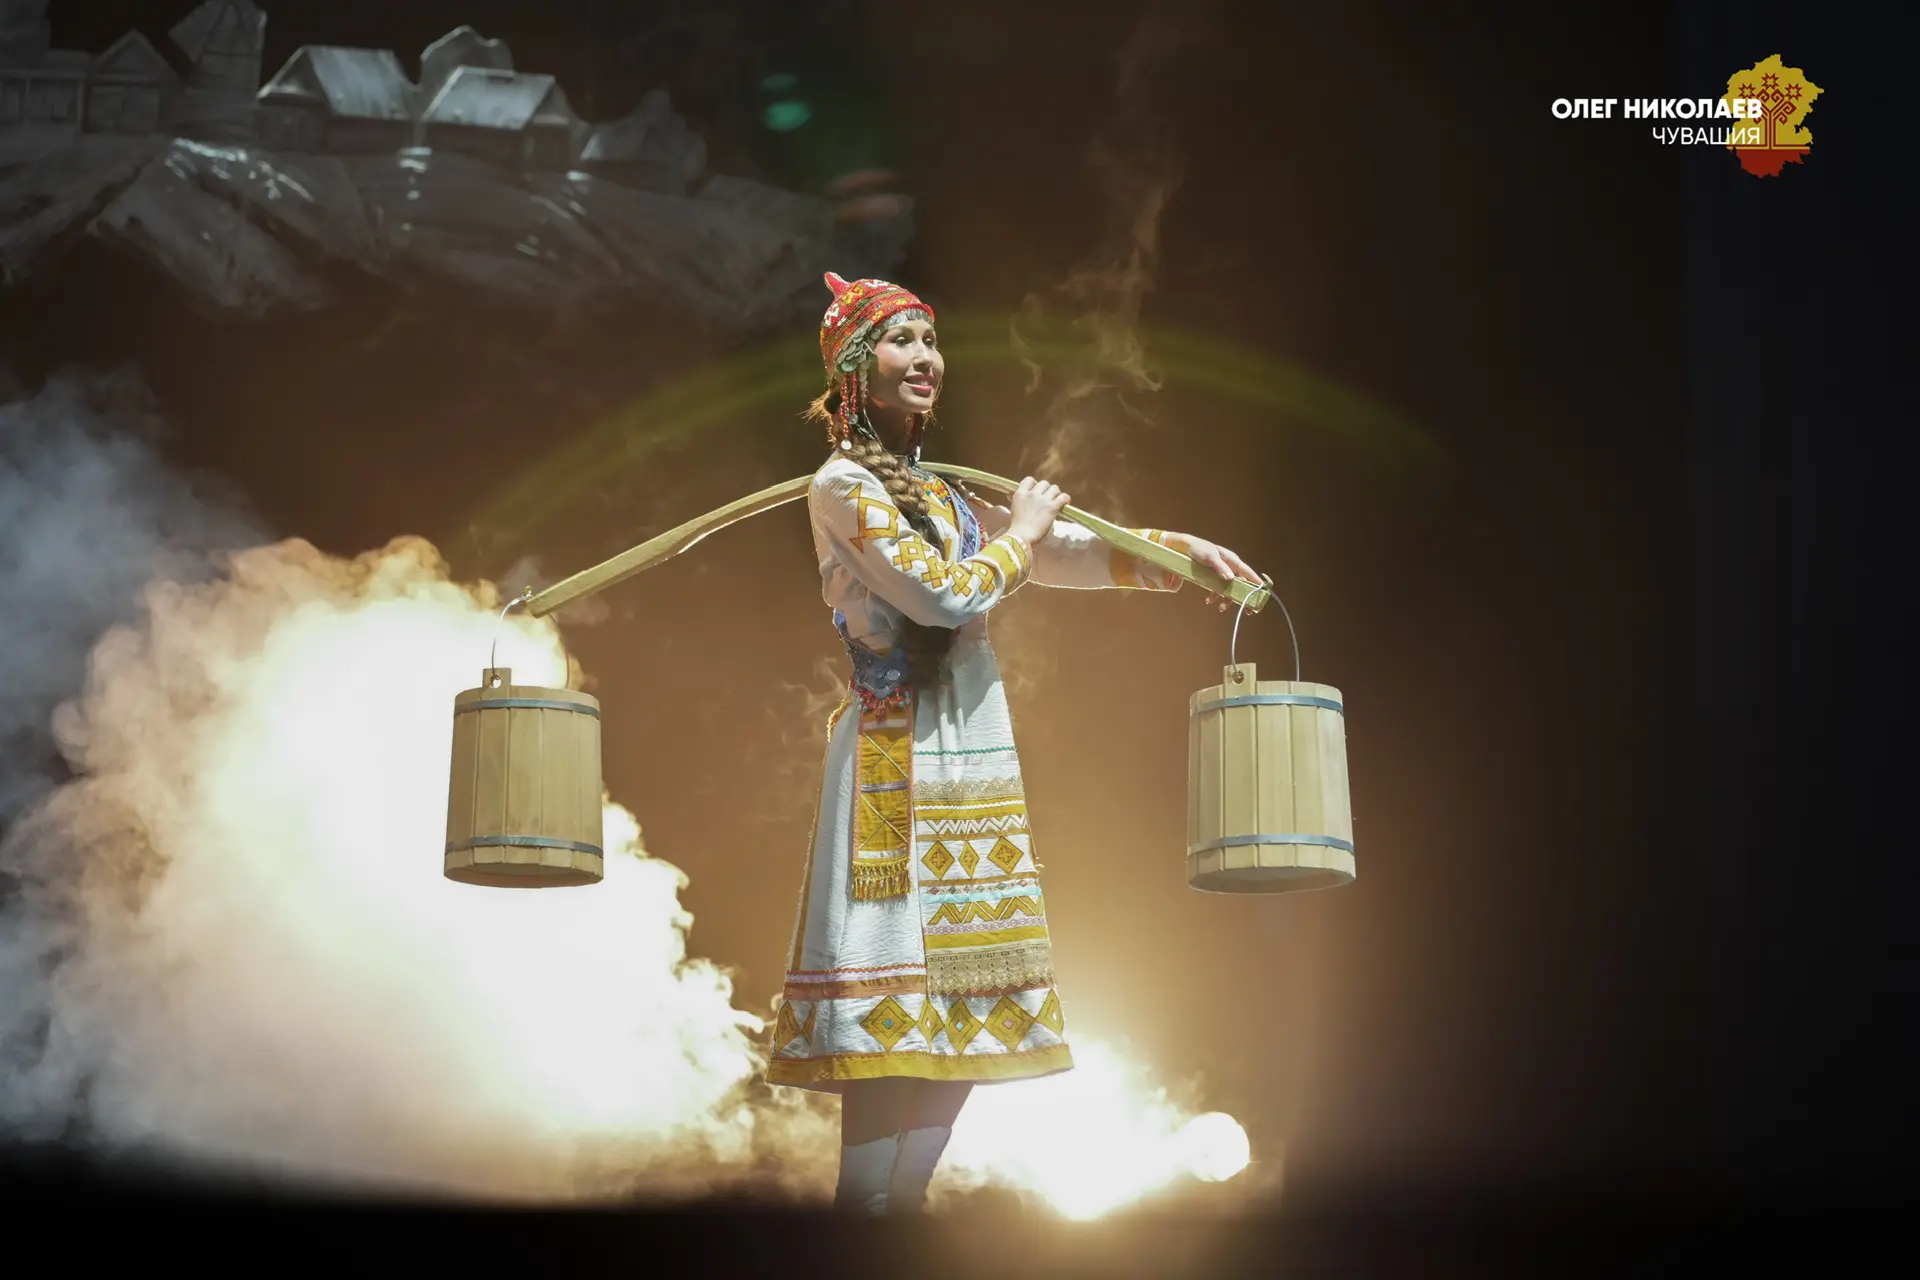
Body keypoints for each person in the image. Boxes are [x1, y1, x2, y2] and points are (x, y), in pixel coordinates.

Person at [766, 273, 1261, 1215]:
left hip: (969, 757)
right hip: (896, 764)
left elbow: (1064, 554)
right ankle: (859, 1226)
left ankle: (896, 1218)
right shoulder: (841, 486)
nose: (925, 357)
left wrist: (1177, 554)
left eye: (930, 340)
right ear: (856, 369)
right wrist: (1024, 533)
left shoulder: (945, 494)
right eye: (902, 341)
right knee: (891, 1031)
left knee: (966, 1014)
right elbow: (942, 595)